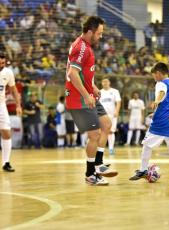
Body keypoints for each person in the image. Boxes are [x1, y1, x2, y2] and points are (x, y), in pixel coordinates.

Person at [65, 16, 118, 186]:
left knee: (107, 125)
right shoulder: (81, 47)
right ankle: (90, 174)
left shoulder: (86, 46)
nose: (100, 37)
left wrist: (93, 87)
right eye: (99, 33)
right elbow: (73, 74)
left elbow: (84, 73)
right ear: (90, 32)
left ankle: (98, 164)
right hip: (78, 97)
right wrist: (86, 95)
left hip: (88, 94)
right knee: (94, 134)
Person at [129, 62, 169, 185]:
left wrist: (156, 100)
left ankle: (143, 170)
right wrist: (155, 112)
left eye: (154, 75)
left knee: (147, 145)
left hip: (163, 122)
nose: (154, 78)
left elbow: (161, 93)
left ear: (158, 73)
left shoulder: (161, 83)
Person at [99, 78, 121, 154]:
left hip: (112, 115)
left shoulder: (115, 91)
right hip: (103, 115)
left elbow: (118, 102)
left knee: (111, 131)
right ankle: (101, 149)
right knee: (102, 132)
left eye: (106, 81)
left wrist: (117, 111)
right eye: (103, 81)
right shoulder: (99, 92)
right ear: (101, 83)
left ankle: (111, 148)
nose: (105, 83)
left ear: (109, 83)